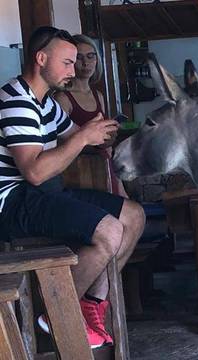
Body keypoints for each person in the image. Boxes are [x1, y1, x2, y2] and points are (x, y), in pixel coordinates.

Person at [0, 26, 145, 348]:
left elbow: (79, 135)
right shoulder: (15, 101)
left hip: (44, 194)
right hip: (12, 202)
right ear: (41, 59)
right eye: (67, 62)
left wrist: (105, 133)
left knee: (133, 216)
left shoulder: (45, 103)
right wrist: (83, 138)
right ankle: (56, 313)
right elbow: (35, 172)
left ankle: (91, 304)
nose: (74, 69)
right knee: (109, 231)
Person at [54, 34, 127, 197]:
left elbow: (106, 143)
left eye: (90, 56)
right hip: (78, 171)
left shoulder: (98, 95)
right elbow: (58, 143)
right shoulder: (63, 98)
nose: (85, 63)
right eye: (79, 58)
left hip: (104, 164)